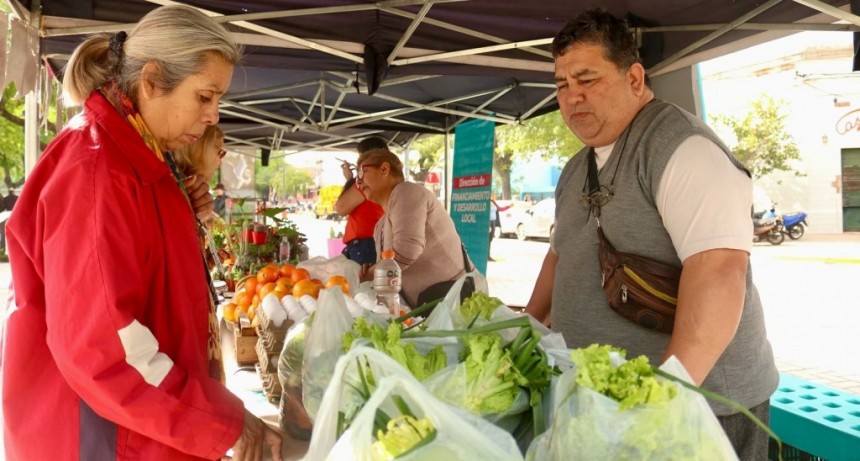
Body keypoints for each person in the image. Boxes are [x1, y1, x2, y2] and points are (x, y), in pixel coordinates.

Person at [2, 5, 282, 461]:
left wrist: (185, 218)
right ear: (151, 80)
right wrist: (220, 420)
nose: (213, 116)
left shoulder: (139, 154)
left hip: (139, 429)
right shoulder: (97, 168)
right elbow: (103, 348)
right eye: (205, 97)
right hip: (102, 438)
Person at [525, 9, 777, 460]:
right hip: (605, 404)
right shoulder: (574, 168)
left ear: (635, 78)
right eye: (562, 85)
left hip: (699, 408)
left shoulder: (683, 148)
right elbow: (559, 255)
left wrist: (667, 395)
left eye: (587, 79)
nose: (572, 97)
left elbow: (719, 270)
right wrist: (527, 326)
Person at [356, 148, 474, 307]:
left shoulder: (406, 191)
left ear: (384, 169)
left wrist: (369, 275)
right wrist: (372, 270)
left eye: (362, 173)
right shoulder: (380, 225)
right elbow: (390, 271)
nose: (358, 182)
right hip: (430, 308)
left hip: (454, 301)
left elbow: (406, 250)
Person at [334, 136, 386, 265]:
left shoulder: (367, 180)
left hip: (364, 245)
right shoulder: (384, 178)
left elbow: (341, 208)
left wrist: (351, 180)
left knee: (361, 284)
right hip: (372, 242)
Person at [488, 196, 511, 262]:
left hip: (493, 222)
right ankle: (486, 256)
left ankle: (488, 255)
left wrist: (508, 206)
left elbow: (500, 209)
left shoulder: (493, 202)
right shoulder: (486, 202)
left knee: (491, 239)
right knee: (487, 239)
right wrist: (488, 225)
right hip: (488, 222)